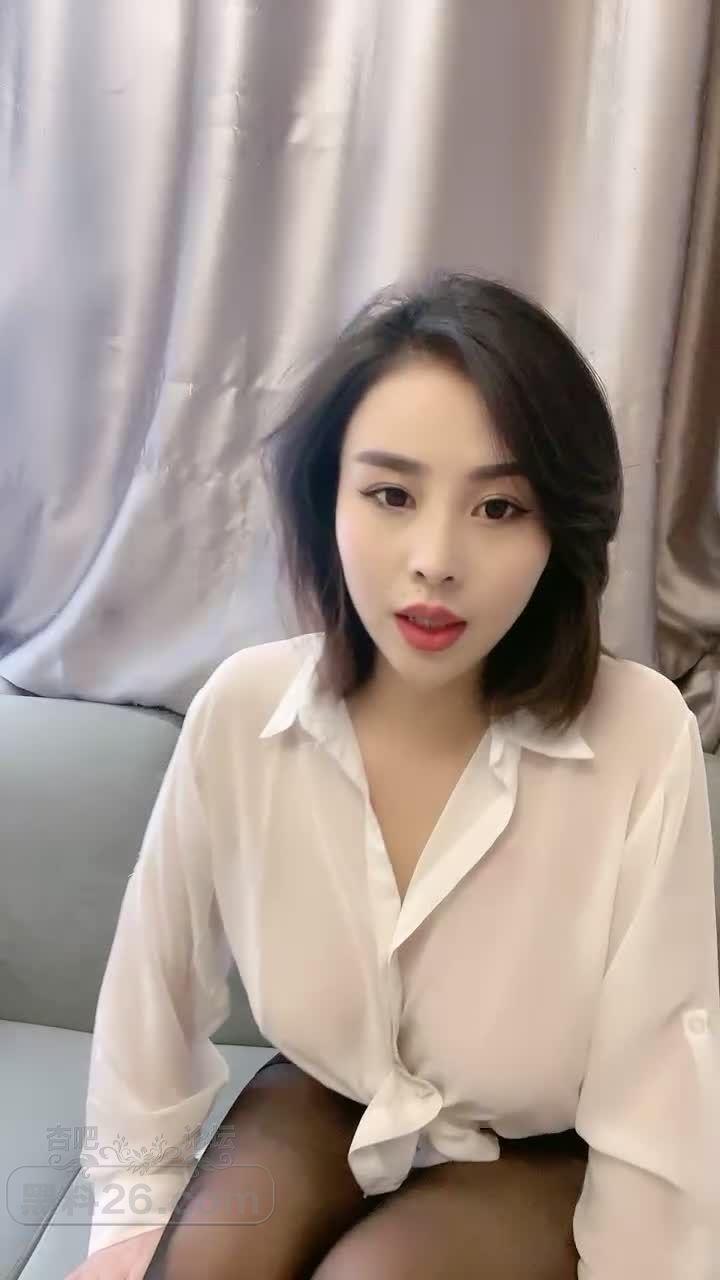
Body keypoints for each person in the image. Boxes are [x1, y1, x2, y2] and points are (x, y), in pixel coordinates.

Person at [67, 272, 719, 1279]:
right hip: (329, 1095)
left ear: (559, 529)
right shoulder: (243, 711)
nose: (435, 559)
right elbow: (153, 994)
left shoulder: (640, 736)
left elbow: (660, 1079)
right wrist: (131, 1217)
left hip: (536, 1148)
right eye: (391, 494)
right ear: (326, 497)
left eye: (499, 506)